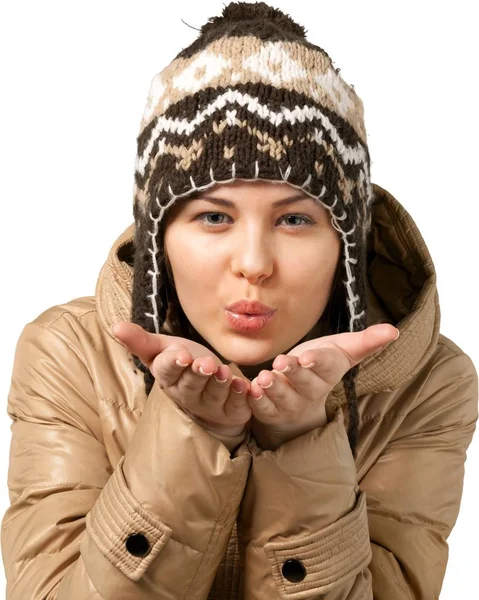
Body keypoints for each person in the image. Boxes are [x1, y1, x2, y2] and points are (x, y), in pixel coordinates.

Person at [1, 1, 477, 598]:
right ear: (159, 237)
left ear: (346, 244)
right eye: (213, 215)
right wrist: (189, 435)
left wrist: (301, 442)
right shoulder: (68, 352)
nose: (253, 263)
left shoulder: (430, 383)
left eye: (297, 220)